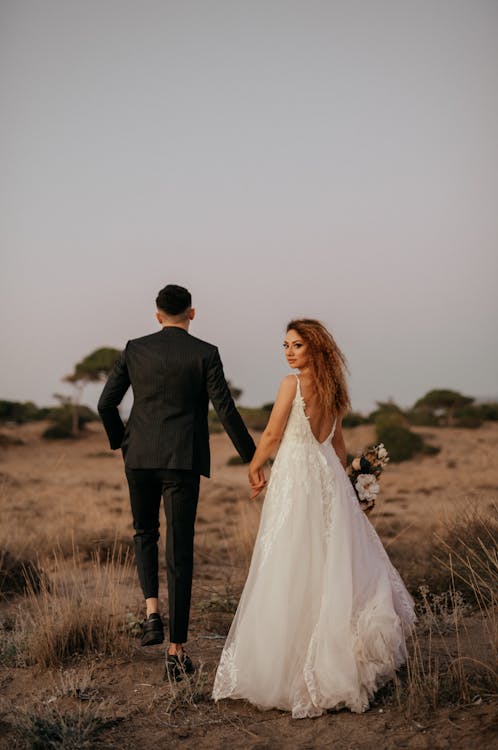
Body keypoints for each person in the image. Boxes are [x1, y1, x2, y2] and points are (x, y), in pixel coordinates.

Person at [212, 319, 416, 718]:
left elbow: (272, 435)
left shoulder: (292, 384)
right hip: (326, 477)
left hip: (297, 477)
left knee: (290, 559)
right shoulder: (335, 388)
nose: (289, 352)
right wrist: (347, 488)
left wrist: (254, 466)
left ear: (315, 348)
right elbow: (337, 447)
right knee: (329, 559)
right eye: (285, 345)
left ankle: (293, 665)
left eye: (297, 345)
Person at [98, 284, 258, 681]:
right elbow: (225, 409)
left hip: (138, 457)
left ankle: (152, 612)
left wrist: (121, 440)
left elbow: (105, 403)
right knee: (180, 550)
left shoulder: (135, 348)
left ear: (157, 315)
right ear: (192, 313)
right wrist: (253, 457)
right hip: (182, 460)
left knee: (144, 532)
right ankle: (176, 649)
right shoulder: (205, 353)